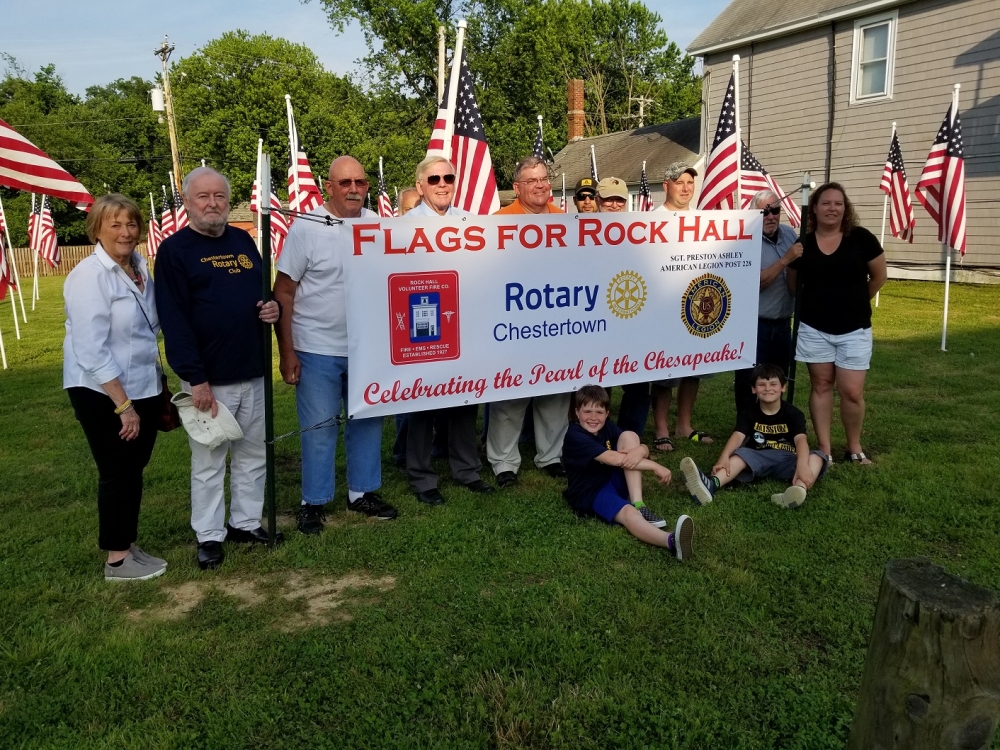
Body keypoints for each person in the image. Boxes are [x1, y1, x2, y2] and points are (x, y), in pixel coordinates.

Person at [155, 167, 283, 570]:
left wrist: (272, 308)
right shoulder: (175, 252)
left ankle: (245, 522)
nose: (212, 204)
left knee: (252, 455)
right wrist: (195, 378)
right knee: (210, 461)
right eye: (203, 197)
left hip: (254, 369)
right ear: (188, 202)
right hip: (208, 380)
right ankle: (209, 535)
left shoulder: (244, 241)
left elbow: (262, 292)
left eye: (220, 197)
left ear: (229, 202)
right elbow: (175, 321)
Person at [273, 156, 396, 534]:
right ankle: (313, 501)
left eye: (360, 182)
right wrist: (287, 350)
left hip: (367, 348)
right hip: (316, 347)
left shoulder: (378, 225)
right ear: (329, 186)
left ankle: (362, 493)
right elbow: (284, 291)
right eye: (345, 183)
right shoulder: (307, 227)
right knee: (319, 428)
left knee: (366, 423)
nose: (354, 189)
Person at [64, 194, 167, 581]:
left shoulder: (138, 266)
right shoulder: (89, 276)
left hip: (140, 383)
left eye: (131, 224)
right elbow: (89, 349)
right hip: (101, 390)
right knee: (116, 471)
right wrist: (124, 407)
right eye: (115, 224)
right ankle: (117, 560)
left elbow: (148, 326)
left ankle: (127, 543)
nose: (125, 232)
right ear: (97, 229)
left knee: (133, 469)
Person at [403, 156, 495, 504]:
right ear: (421, 186)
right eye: (434, 179)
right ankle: (422, 477)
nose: (442, 184)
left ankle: (466, 470)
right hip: (424, 321)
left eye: (448, 177)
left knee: (464, 398)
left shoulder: (469, 224)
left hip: (463, 322)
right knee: (423, 403)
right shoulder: (405, 226)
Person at [786, 182, 887, 465]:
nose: (833, 208)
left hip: (854, 328)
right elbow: (793, 286)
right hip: (814, 327)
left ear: (846, 209)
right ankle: (825, 449)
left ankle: (854, 448)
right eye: (826, 203)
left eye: (838, 204)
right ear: (814, 209)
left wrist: (856, 301)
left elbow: (879, 276)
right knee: (821, 385)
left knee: (852, 392)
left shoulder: (861, 239)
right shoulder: (802, 244)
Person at [489, 156, 569, 487]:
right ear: (517, 187)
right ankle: (504, 462)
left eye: (544, 179)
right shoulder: (497, 222)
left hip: (557, 319)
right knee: (509, 395)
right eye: (532, 181)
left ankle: (551, 456)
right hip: (514, 320)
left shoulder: (567, 221)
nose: (540, 185)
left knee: (556, 393)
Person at [563, 385, 693, 561]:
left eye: (599, 412)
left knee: (630, 436)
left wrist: (642, 449)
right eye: (587, 411)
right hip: (592, 492)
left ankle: (639, 504)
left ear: (607, 413)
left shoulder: (606, 427)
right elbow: (616, 459)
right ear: (577, 413)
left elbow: (635, 447)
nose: (593, 418)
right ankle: (670, 541)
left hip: (612, 478)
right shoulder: (574, 435)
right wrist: (655, 466)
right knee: (628, 513)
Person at [680, 364, 829, 509]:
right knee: (740, 455)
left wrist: (802, 465)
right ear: (753, 389)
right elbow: (738, 436)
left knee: (817, 457)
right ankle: (712, 484)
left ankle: (797, 490)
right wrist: (724, 456)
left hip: (788, 459)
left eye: (773, 384)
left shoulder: (793, 414)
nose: (768, 389)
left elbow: (801, 440)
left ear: (783, 387)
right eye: (762, 385)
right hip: (757, 458)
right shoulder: (749, 412)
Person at [647, 162, 713, 450]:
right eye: (679, 182)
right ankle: (661, 427)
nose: (685, 188)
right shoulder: (650, 221)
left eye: (689, 182)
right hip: (662, 306)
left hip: (695, 303)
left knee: (693, 368)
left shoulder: (703, 221)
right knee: (664, 372)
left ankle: (684, 425)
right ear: (666, 185)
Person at [733, 191, 803, 414]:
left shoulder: (790, 235)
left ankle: (774, 427)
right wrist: (785, 260)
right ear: (755, 213)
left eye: (775, 210)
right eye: (765, 212)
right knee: (751, 382)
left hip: (783, 324)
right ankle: (746, 431)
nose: (771, 216)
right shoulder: (746, 239)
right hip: (755, 325)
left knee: (778, 381)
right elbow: (755, 283)